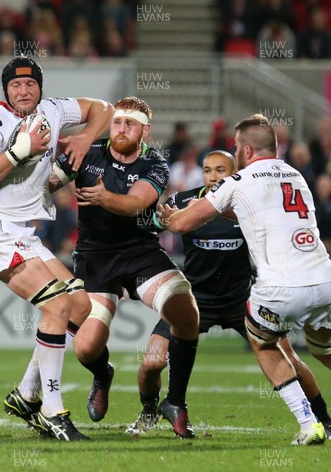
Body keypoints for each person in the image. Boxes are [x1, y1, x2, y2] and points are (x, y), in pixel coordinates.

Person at [157, 113, 331, 446]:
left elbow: (183, 224)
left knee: (263, 342)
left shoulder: (239, 181)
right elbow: (257, 211)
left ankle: (309, 424)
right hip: (322, 281)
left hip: (279, 286)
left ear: (246, 150)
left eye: (236, 147)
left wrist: (171, 217)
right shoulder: (298, 176)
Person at [126, 150, 331, 441]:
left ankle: (326, 422)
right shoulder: (181, 202)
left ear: (234, 174)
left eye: (221, 170)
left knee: (291, 360)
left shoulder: (247, 205)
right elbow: (148, 229)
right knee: (151, 362)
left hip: (240, 301)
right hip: (193, 301)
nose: (213, 176)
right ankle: (149, 410)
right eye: (207, 170)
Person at [0, 56, 114, 441]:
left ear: (40, 88)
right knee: (58, 305)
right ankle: (52, 409)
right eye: (15, 86)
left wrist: (84, 137)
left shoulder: (54, 109)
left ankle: (26, 394)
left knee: (80, 307)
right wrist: (18, 151)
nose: (23, 91)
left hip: (24, 234)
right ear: (6, 90)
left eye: (30, 85)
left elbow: (104, 109)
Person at [52, 96, 200, 438]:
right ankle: (103, 374)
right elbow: (50, 183)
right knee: (86, 347)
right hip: (95, 257)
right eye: (117, 121)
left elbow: (137, 203)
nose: (121, 129)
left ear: (145, 131)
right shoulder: (87, 151)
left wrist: (105, 199)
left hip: (139, 251)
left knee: (185, 306)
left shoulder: (156, 165)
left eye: (130, 124)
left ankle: (175, 400)